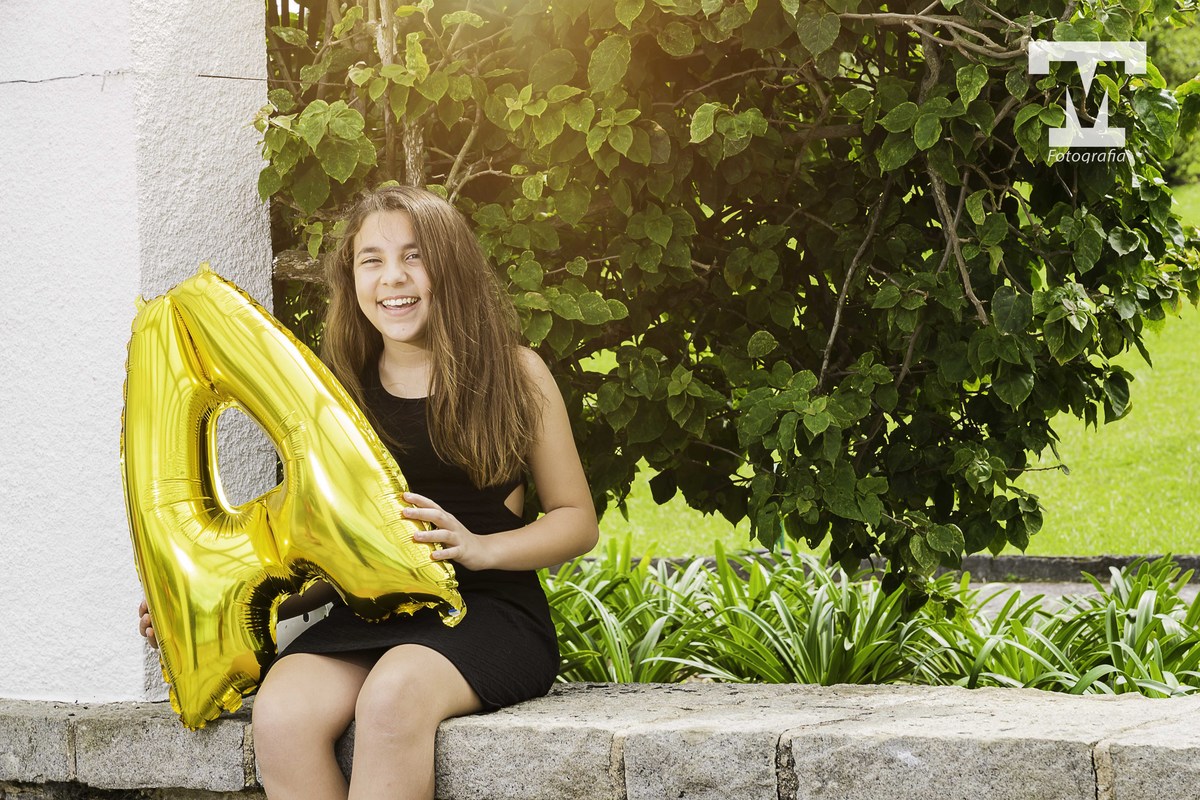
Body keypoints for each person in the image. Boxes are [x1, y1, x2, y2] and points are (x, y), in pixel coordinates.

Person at [139, 185, 599, 799]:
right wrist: (214, 600)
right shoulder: (336, 395)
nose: (393, 278)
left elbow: (576, 520)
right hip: (367, 612)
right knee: (281, 711)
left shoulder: (515, 373)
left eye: (414, 256)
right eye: (371, 260)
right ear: (351, 280)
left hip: (486, 611)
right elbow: (319, 552)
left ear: (450, 267)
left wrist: (480, 548)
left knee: (392, 697)